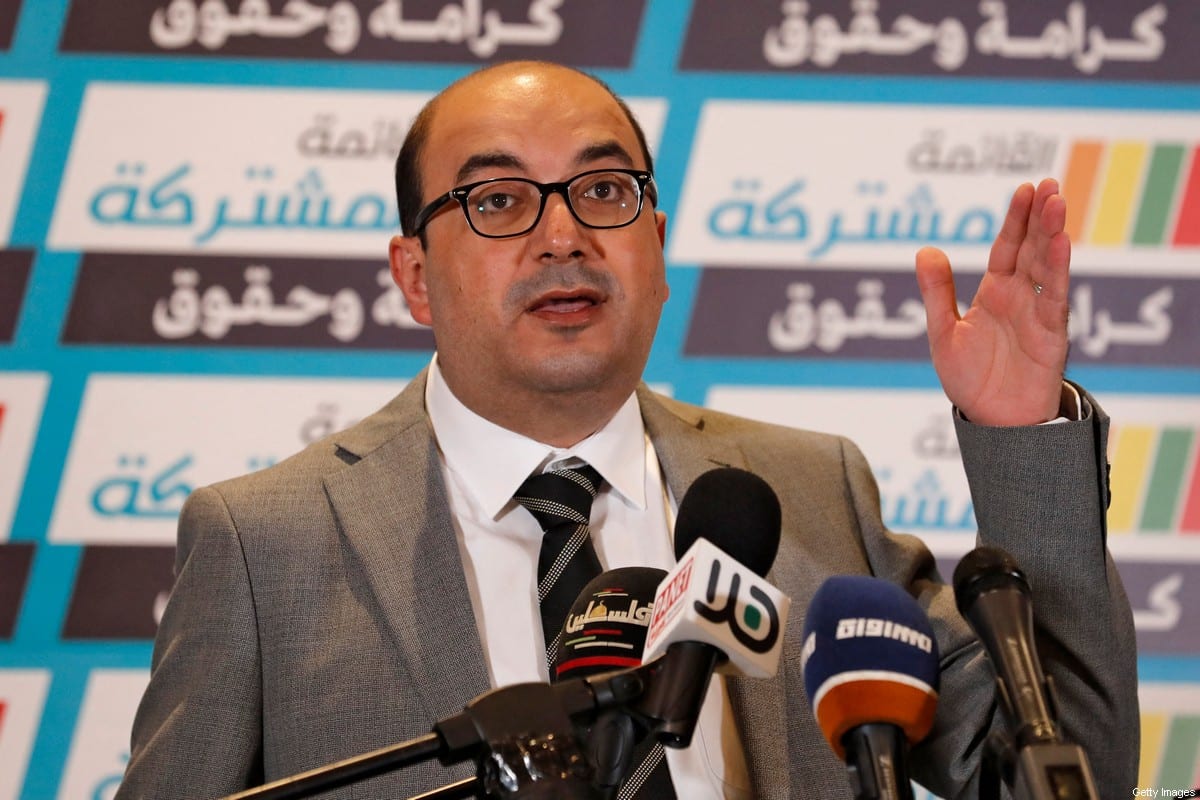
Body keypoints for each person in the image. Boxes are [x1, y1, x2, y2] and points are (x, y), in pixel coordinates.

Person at [115, 60, 1138, 799]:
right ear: (415, 276)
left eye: (604, 191)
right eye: (498, 199)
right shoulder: (264, 540)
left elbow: (1063, 777)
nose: (562, 235)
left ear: (653, 242)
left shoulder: (804, 488)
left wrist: (1021, 433)